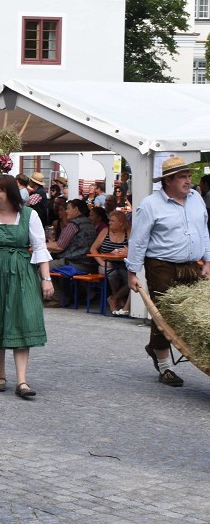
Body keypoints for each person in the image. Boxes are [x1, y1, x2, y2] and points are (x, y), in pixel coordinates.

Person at [0, 175, 54, 399]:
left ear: (10, 193)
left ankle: (22, 381)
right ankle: (1, 375)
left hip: (21, 272)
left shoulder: (29, 215)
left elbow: (40, 248)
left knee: (21, 320)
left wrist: (46, 278)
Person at [126, 156, 210, 387]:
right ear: (168, 181)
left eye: (189, 176)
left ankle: (182, 352)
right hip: (161, 265)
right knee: (164, 316)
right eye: (182, 177)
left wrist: (208, 261)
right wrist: (132, 272)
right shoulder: (151, 204)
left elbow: (204, 231)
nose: (188, 181)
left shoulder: (196, 199)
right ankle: (164, 366)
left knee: (193, 314)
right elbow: (138, 241)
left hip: (192, 265)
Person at [90, 210, 130, 316]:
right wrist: (101, 262)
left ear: (121, 222)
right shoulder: (105, 231)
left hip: (123, 263)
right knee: (111, 274)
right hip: (107, 262)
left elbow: (134, 247)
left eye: (112, 221)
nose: (109, 223)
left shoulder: (128, 232)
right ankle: (118, 299)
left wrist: (128, 251)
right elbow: (93, 249)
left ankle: (114, 298)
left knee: (130, 279)